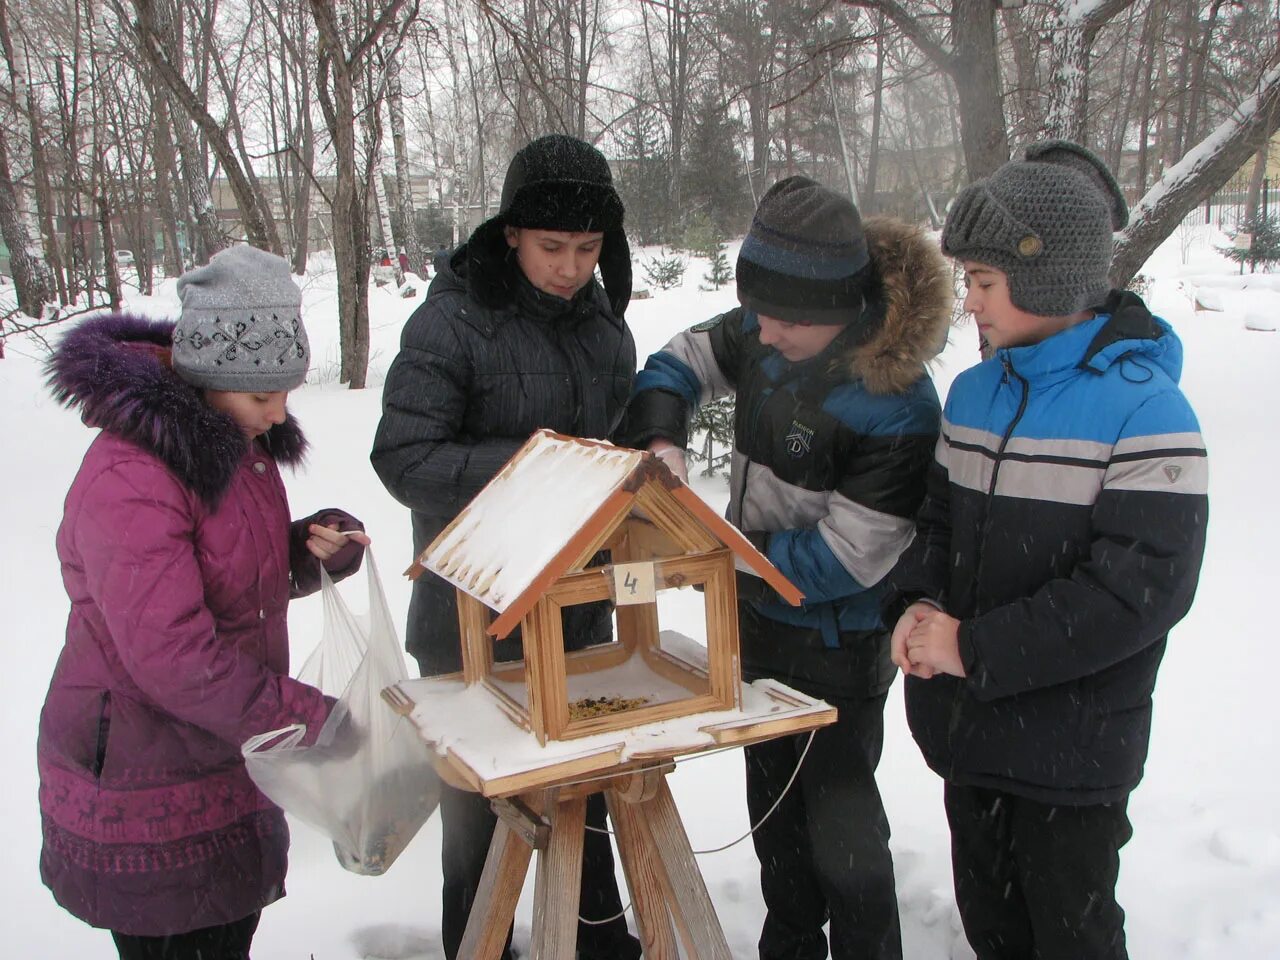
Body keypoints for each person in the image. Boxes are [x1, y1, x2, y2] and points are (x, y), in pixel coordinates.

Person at [884, 141, 1209, 960]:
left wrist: (975, 645)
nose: (969, 304)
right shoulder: (974, 392)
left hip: (1075, 754)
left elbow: (1137, 593)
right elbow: (938, 525)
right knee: (995, 932)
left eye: (984, 284)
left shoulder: (1145, 411)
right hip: (973, 738)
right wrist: (917, 603)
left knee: (1071, 936)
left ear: (1049, 277)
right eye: (967, 282)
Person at [617, 175, 953, 960]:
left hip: (839, 648)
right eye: (758, 314)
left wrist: (718, 556)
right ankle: (790, 946)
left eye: (786, 322)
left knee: (844, 837)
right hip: (760, 628)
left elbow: (851, 554)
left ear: (839, 311)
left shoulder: (895, 401)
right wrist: (662, 439)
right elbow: (679, 360)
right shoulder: (771, 325)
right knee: (775, 825)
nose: (763, 334)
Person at [37, 244, 370, 960]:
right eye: (262, 395)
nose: (279, 411)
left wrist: (305, 549)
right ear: (210, 375)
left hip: (215, 753)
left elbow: (225, 574)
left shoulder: (234, 447)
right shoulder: (132, 476)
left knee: (224, 938)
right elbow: (171, 653)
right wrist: (307, 716)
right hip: (142, 774)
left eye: (287, 390)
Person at [370, 134, 640, 960]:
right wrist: (534, 468)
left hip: (575, 613)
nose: (569, 267)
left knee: (584, 803)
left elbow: (612, 456)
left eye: (588, 249)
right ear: (511, 234)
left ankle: (599, 943)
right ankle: (478, 949)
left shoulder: (603, 327)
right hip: (469, 621)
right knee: (480, 824)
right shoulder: (452, 322)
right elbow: (404, 458)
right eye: (552, 247)